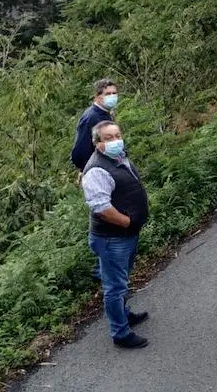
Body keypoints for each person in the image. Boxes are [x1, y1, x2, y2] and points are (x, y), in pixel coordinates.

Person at [82, 120, 150, 348]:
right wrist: (127, 223)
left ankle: (124, 313)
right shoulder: (96, 170)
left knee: (122, 279)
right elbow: (101, 207)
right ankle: (120, 333)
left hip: (125, 235)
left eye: (117, 135)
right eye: (108, 138)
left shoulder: (118, 157)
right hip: (112, 238)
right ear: (97, 143)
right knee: (114, 286)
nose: (115, 141)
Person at [71, 79, 118, 171]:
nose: (112, 96)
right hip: (98, 170)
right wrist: (86, 170)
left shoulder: (105, 113)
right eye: (108, 94)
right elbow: (81, 150)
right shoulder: (92, 117)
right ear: (97, 97)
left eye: (114, 93)